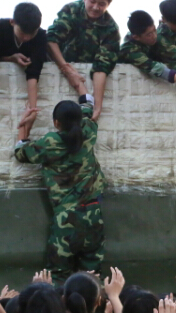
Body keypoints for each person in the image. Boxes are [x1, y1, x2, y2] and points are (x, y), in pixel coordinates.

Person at [13, 93, 106, 283]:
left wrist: (24, 126)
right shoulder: (89, 131)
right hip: (93, 214)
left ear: (56, 123)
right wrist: (82, 94)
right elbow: (88, 108)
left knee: (57, 278)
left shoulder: (49, 143)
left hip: (66, 220)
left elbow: (21, 153)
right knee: (92, 278)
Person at [46, 0, 120, 121]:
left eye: (102, 4)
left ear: (108, 5)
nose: (96, 7)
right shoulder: (71, 10)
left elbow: (102, 67)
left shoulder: (111, 29)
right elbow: (51, 40)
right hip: (60, 65)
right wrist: (66, 69)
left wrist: (97, 106)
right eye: (92, 1)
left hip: (86, 75)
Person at [0, 2, 47, 132]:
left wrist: (32, 110)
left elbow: (34, 72)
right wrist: (11, 58)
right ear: (12, 22)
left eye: (31, 34)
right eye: (23, 33)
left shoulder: (40, 37)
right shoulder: (1, 27)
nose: (27, 38)